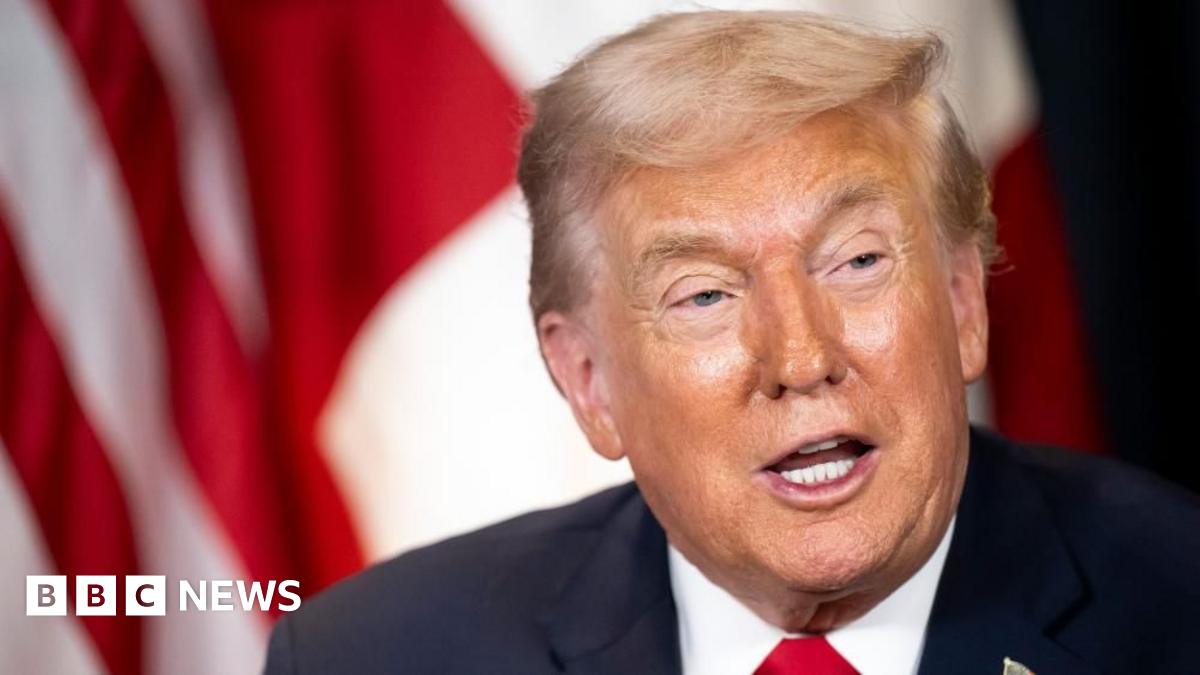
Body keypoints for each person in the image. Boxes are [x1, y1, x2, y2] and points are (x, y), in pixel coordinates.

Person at [263, 11, 1200, 674]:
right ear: (587, 379)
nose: (800, 358)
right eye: (705, 293)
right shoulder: (383, 653)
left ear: (962, 302)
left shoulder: (1178, 604)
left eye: (857, 261)